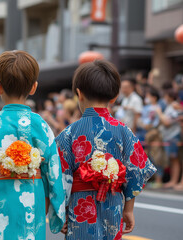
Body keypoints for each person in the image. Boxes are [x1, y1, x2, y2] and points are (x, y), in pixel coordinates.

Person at [0, 51, 66, 239]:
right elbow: (53, 170)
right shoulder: (41, 124)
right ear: (33, 88)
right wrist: (54, 206)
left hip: (1, 197)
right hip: (34, 197)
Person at [55, 60, 156, 239]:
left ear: (79, 93)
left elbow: (58, 177)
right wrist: (129, 210)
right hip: (113, 202)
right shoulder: (123, 130)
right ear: (114, 97)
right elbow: (135, 171)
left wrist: (60, 212)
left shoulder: (69, 133)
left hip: (80, 205)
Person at [156, 89, 182, 189]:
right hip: (169, 136)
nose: (164, 99)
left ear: (170, 97)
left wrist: (159, 112)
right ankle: (173, 180)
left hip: (173, 136)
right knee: (172, 159)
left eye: (166, 96)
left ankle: (175, 180)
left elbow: (167, 122)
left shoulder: (175, 105)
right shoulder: (170, 106)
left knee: (175, 159)